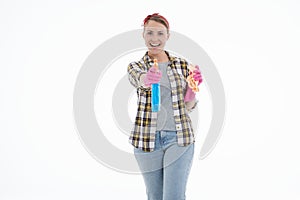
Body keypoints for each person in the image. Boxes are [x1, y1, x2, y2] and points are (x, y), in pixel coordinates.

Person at [127, 13, 203, 200]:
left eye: (160, 34)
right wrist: (146, 79)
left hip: (179, 138)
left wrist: (192, 89)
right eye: (150, 33)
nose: (155, 39)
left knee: (173, 197)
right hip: (146, 140)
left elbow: (189, 106)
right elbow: (136, 78)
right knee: (155, 196)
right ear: (143, 35)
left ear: (168, 35)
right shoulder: (136, 66)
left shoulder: (183, 65)